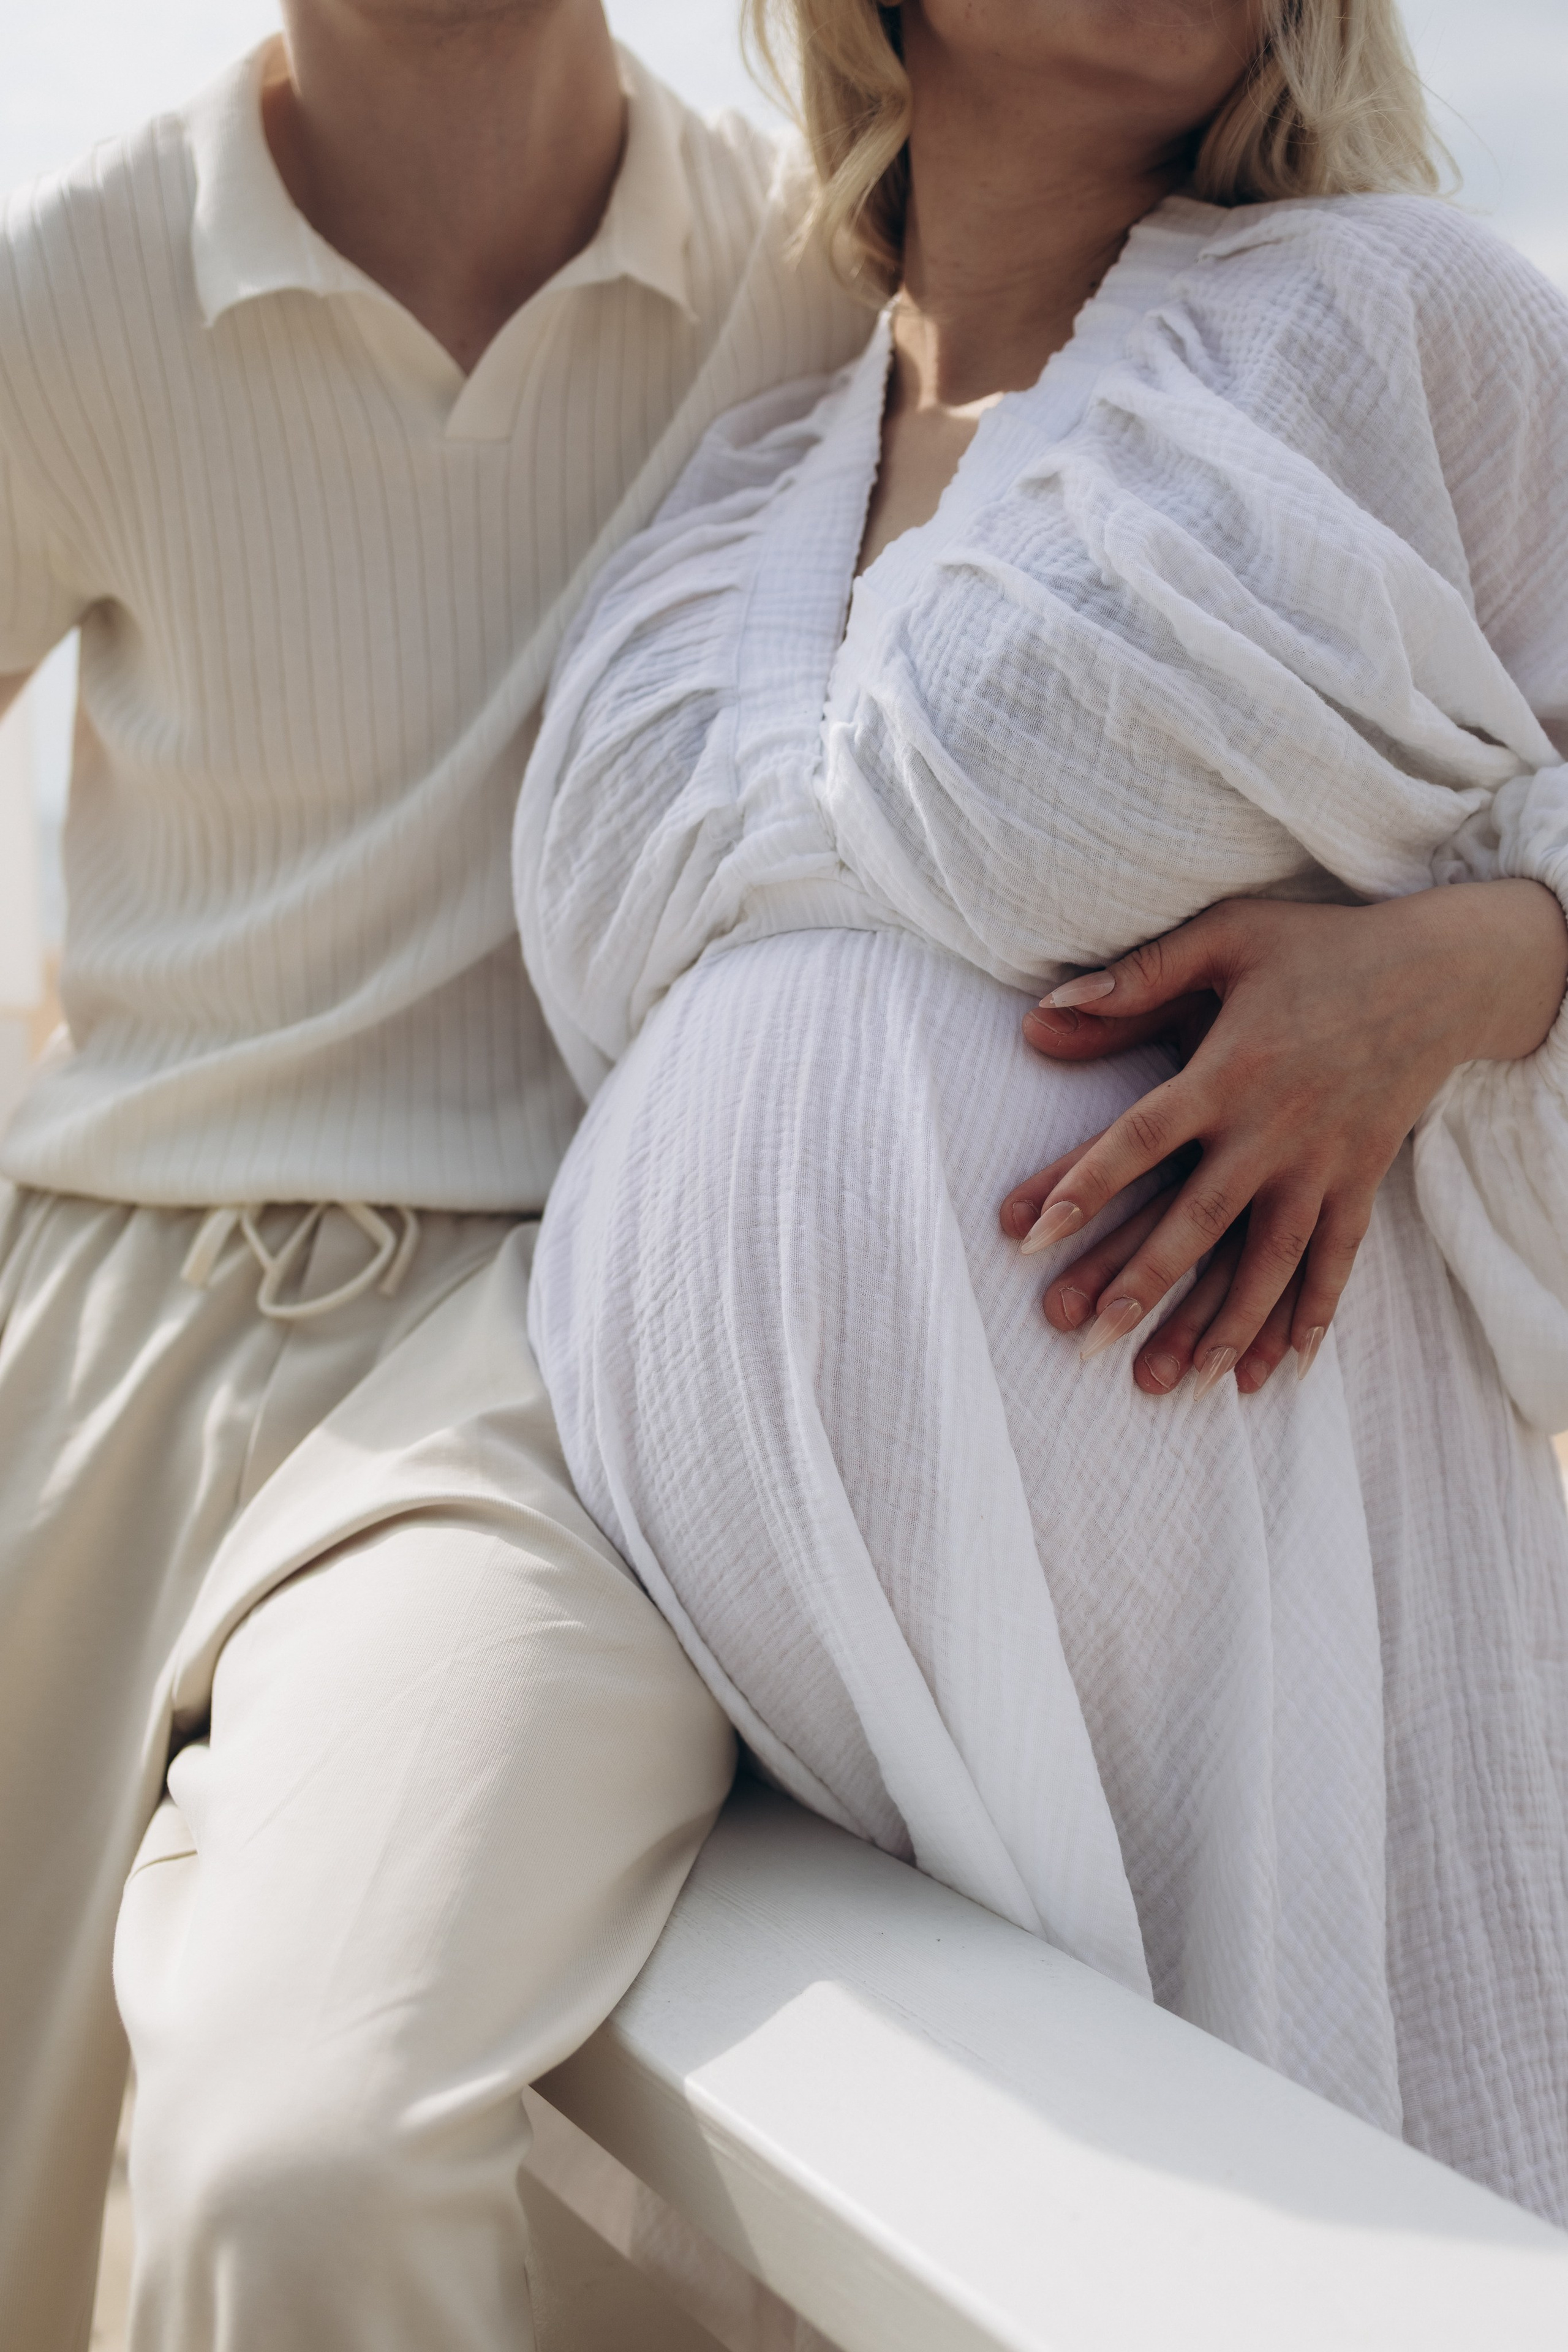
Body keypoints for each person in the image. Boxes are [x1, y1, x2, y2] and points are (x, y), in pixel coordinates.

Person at [515, 0, 1568, 2225]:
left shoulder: (1394, 327)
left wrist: (1471, 967)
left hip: (1268, 1705)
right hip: (755, 1791)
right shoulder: (724, 482)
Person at [0, 2, 869, 2343]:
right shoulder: (76, 284)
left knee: (285, 2171)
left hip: (542, 1378)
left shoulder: (815, 275)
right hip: (85, 1340)